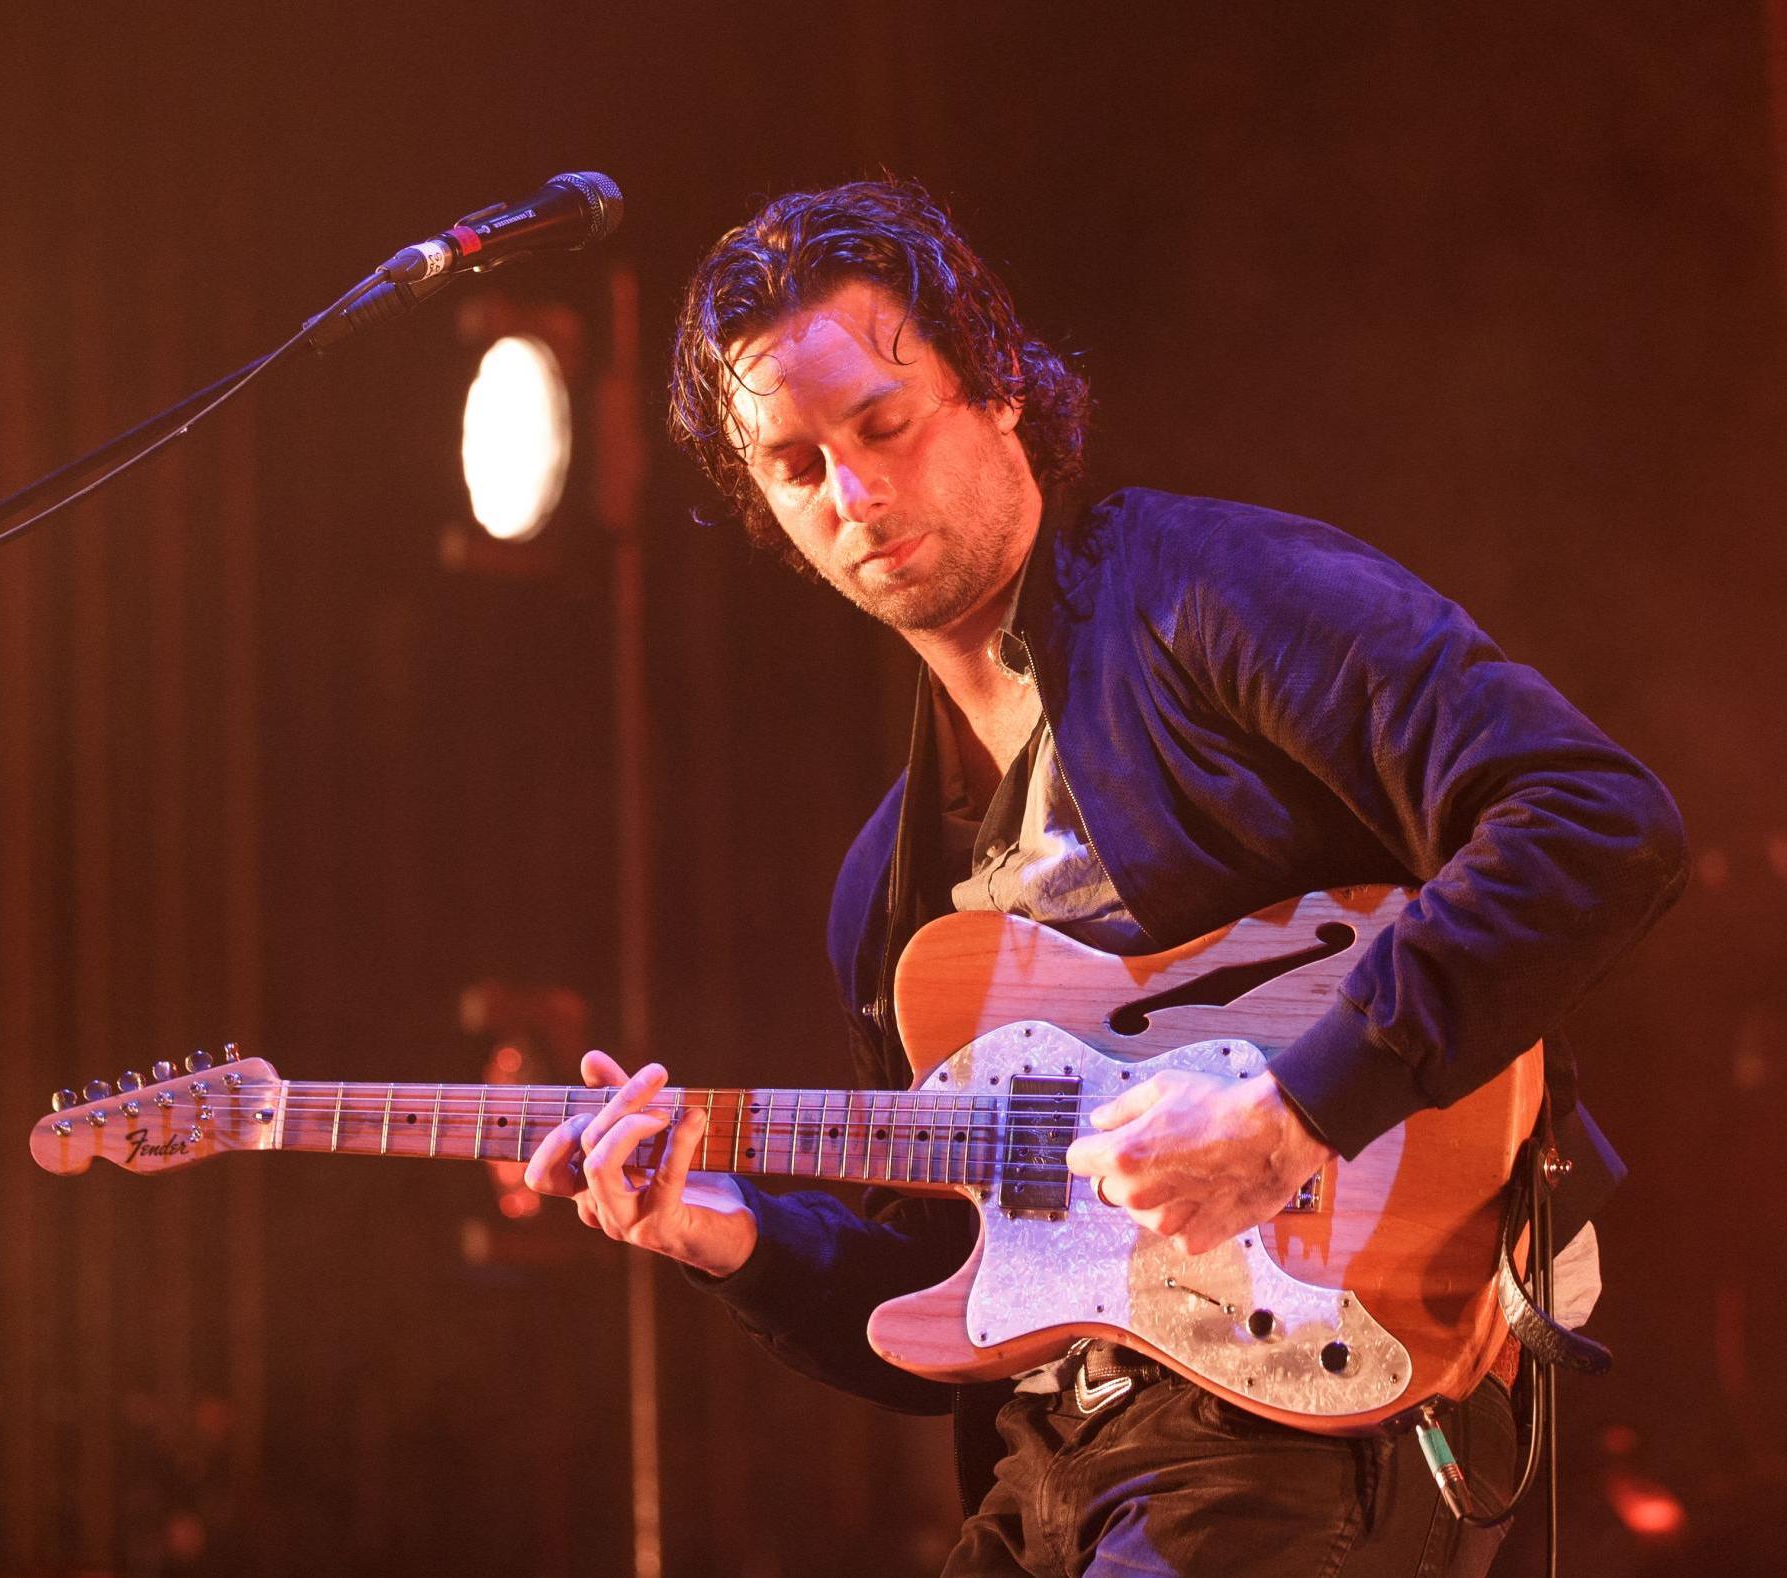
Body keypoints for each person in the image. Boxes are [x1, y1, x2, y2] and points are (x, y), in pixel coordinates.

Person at [523, 180, 1687, 1576]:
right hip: (1054, 1467)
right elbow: (957, 1303)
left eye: (883, 425)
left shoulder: (1215, 596)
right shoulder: (884, 899)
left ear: (1000, 385)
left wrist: (1303, 1100)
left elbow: (1598, 815)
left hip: (1332, 1411)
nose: (854, 493)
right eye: (795, 464)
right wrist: (735, 1237)